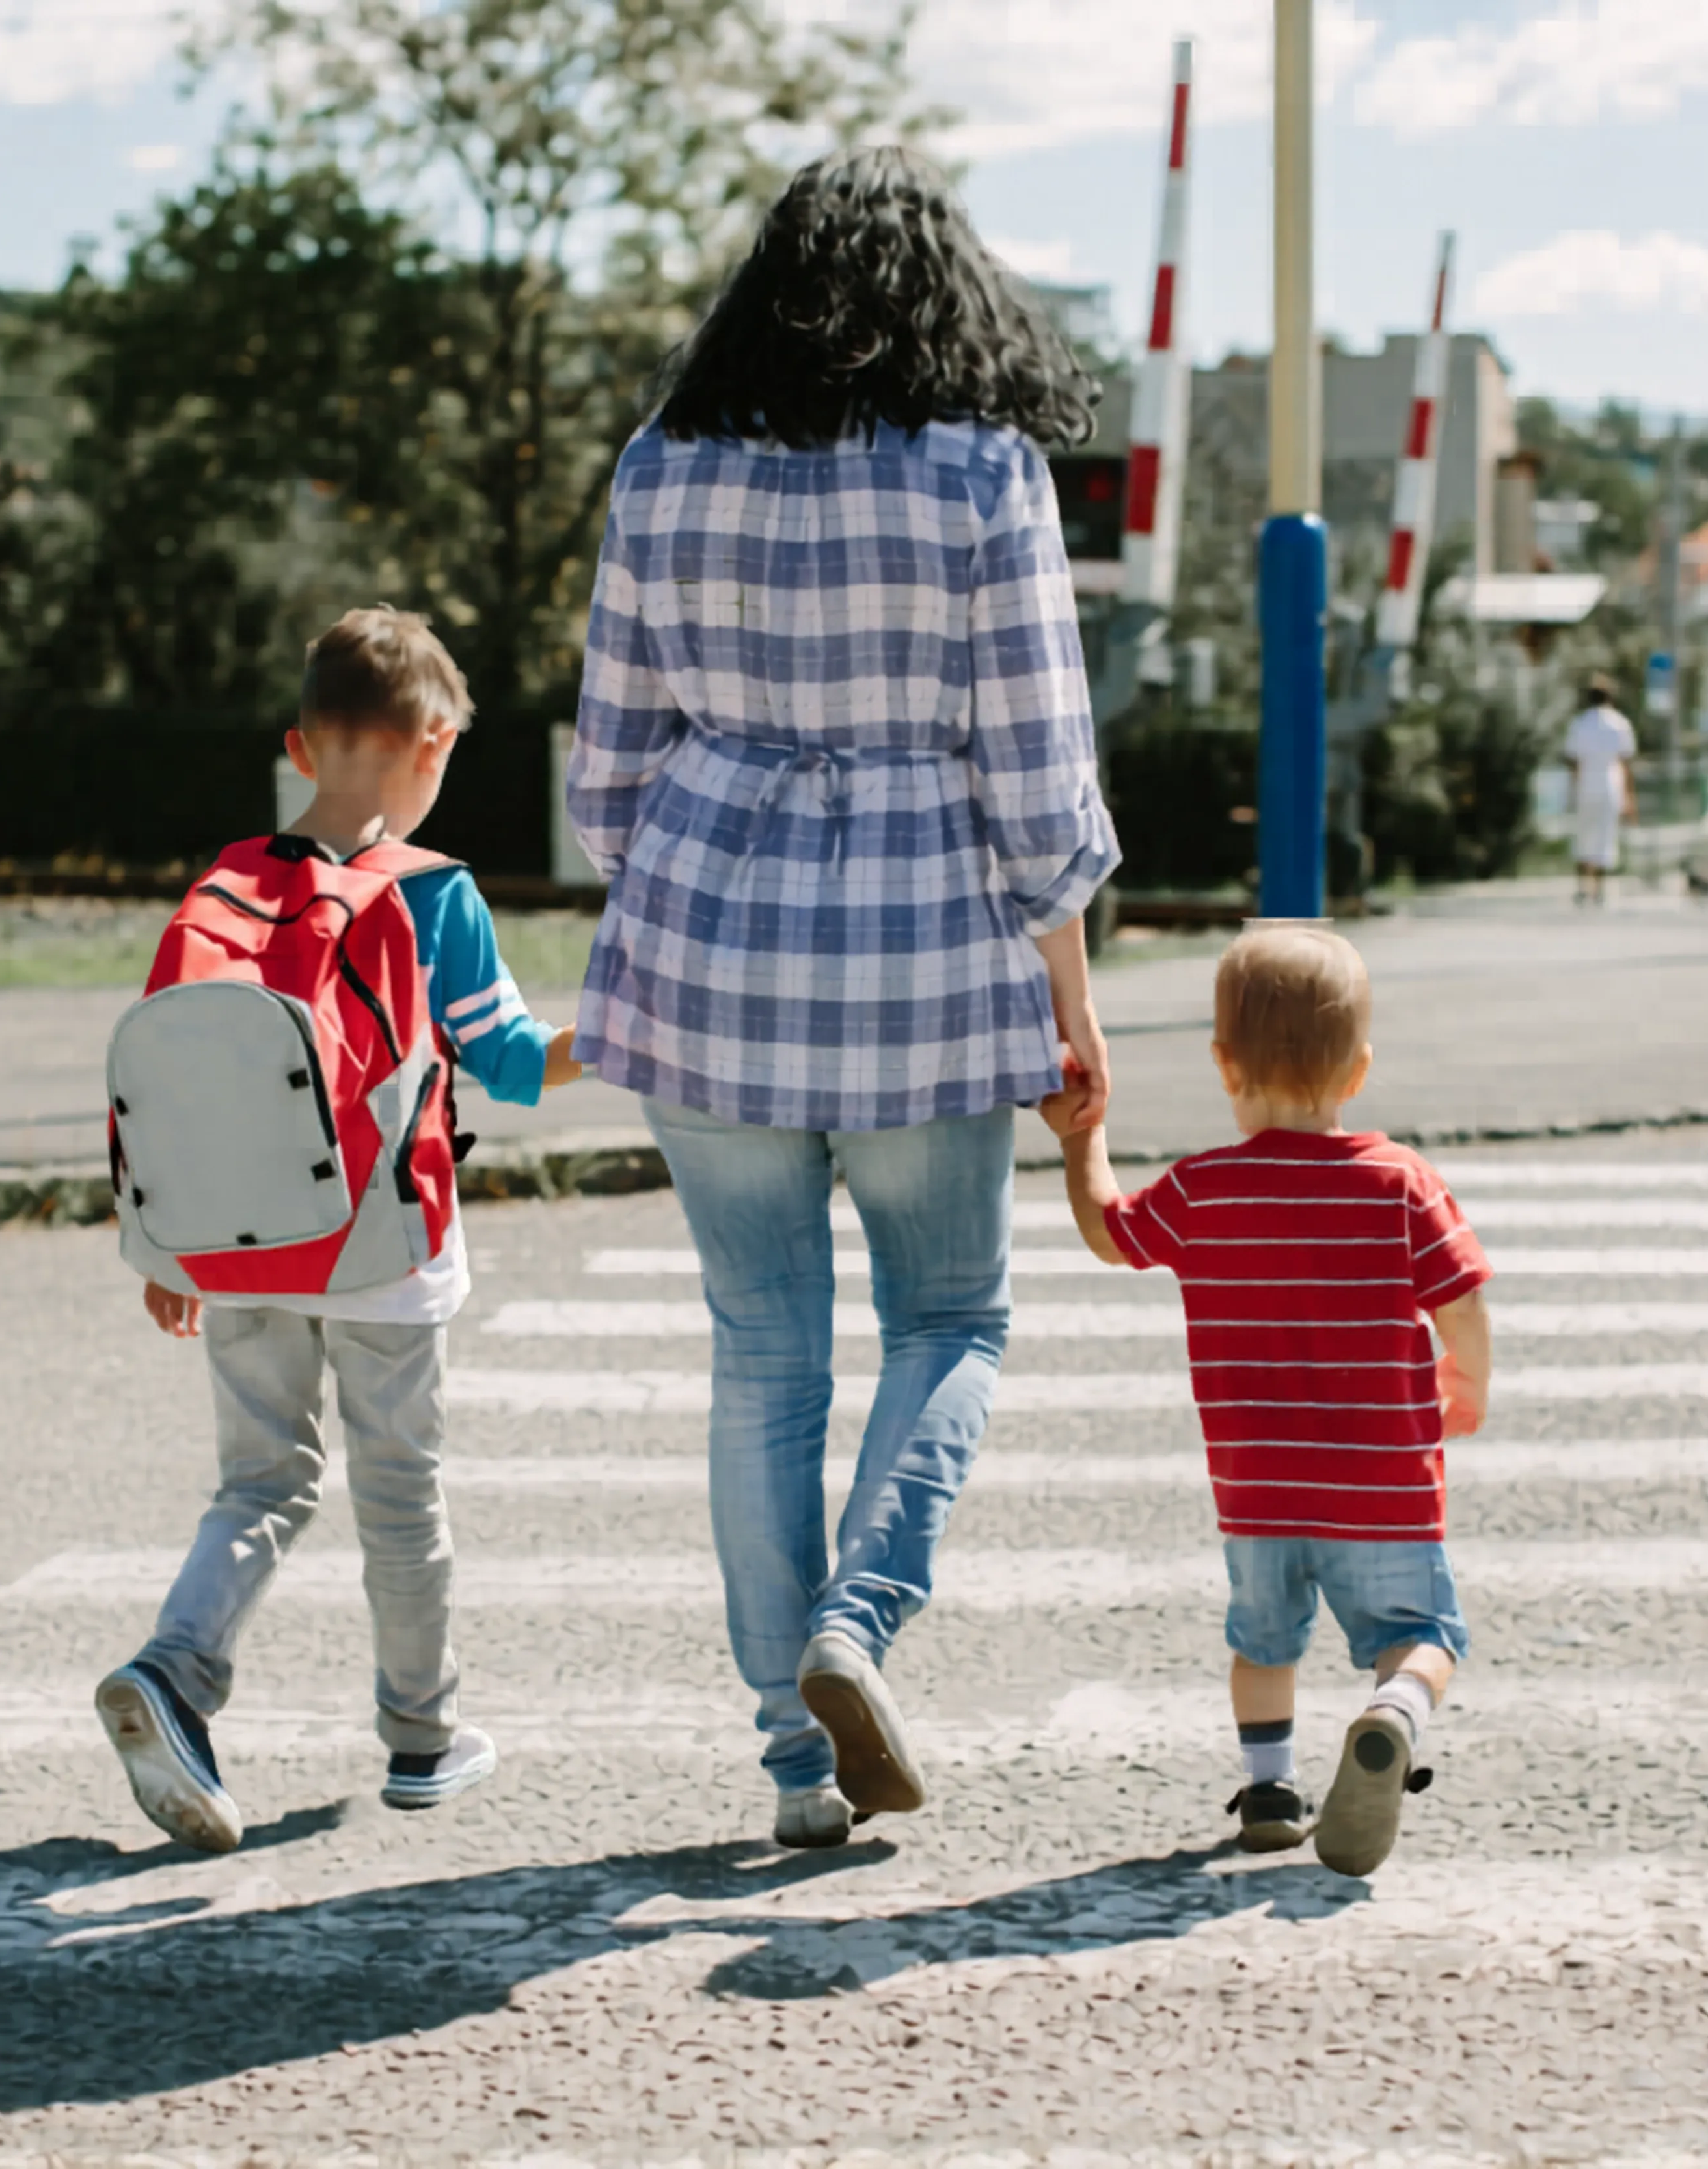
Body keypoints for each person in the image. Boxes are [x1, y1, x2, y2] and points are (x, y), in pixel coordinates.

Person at [565, 147, 1121, 1852]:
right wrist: (1076, 1016)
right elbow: (1036, 772)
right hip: (927, 970)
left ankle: (791, 1758)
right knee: (952, 1318)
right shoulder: (982, 470)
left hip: (712, 960)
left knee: (761, 1351)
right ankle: (857, 1621)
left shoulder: (662, 465)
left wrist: (672, 875)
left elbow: (606, 780)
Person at [98, 608, 585, 1856]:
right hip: (384, 1247)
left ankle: (174, 1671)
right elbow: (519, 1068)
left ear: (298, 745)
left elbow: (166, 1080)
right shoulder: (437, 896)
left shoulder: (223, 883)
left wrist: (166, 1250)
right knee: (399, 1494)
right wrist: (636, 1028)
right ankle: (424, 1738)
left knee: (259, 1480)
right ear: (433, 743)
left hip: (236, 1240)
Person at [1040, 926, 1492, 1876]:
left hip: (1258, 1492)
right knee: (1425, 1635)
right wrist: (1468, 1379)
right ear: (1359, 1069)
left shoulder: (1205, 1191)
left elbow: (1108, 1232)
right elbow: (1461, 1296)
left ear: (1223, 1062)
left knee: (1263, 1642)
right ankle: (1391, 1715)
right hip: (1384, 1487)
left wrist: (1084, 1135)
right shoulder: (1400, 1182)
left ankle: (1272, 1787)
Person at [1565, 673, 1638, 906]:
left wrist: (1572, 790)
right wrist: (1629, 797)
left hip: (1587, 784)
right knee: (1605, 837)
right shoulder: (1619, 724)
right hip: (1609, 784)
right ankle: (1599, 890)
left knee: (1584, 836)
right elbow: (1625, 763)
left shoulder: (1580, 723)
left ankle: (1582, 887)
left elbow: (1575, 762)